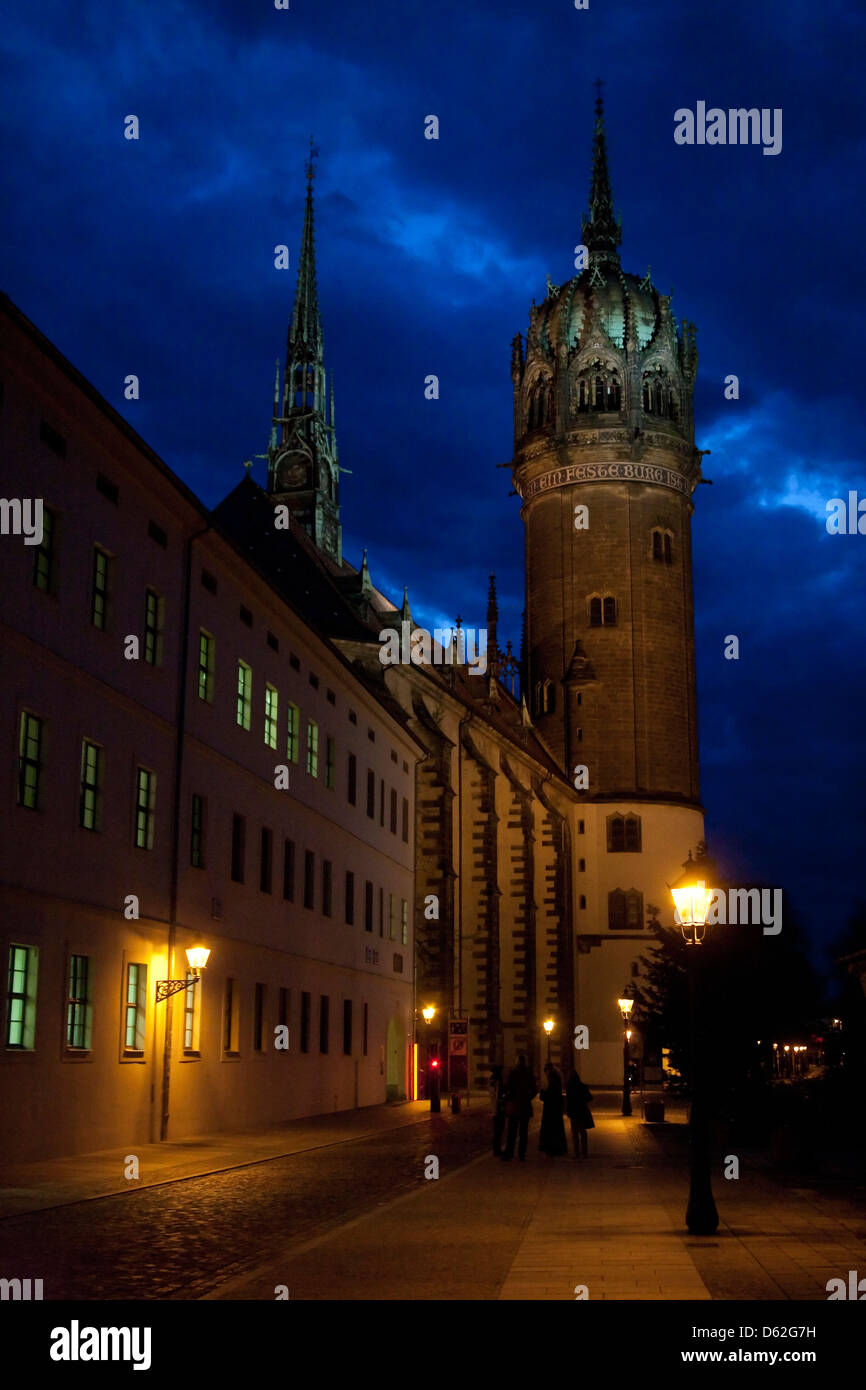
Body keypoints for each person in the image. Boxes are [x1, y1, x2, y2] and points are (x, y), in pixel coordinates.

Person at [502, 1053, 538, 1161]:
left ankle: (509, 1153)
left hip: (515, 1106)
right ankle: (521, 1154)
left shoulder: (513, 1073)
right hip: (525, 1106)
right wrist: (528, 1097)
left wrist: (509, 1098)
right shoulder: (528, 1073)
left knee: (512, 1132)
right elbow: (535, 1090)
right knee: (523, 1132)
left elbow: (509, 1088)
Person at [538, 1063, 567, 1155]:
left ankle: (552, 1147)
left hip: (550, 1109)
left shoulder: (552, 1080)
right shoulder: (556, 1079)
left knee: (550, 1128)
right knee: (557, 1128)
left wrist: (542, 1091)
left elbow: (547, 1096)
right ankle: (558, 1147)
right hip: (556, 1108)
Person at [566, 1068, 594, 1158]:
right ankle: (584, 1152)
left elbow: (568, 1100)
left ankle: (576, 1152)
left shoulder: (569, 1087)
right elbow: (589, 1098)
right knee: (582, 1132)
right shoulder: (583, 1086)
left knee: (575, 1133)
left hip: (573, 1111)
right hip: (582, 1110)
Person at [489, 1064, 507, 1157]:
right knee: (499, 1129)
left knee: (497, 1130)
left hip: (495, 1108)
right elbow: (498, 1095)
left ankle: (496, 1149)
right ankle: (497, 1149)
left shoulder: (492, 1080)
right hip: (498, 1108)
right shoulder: (497, 1081)